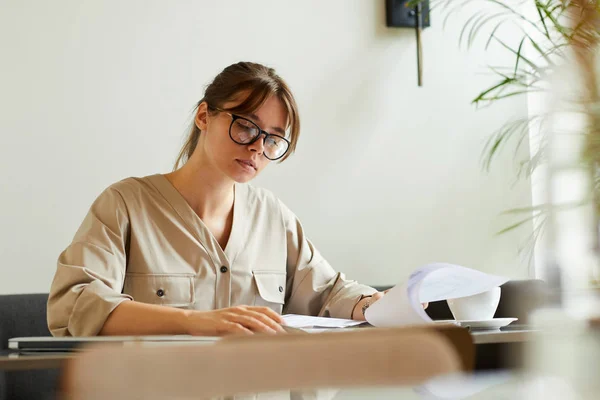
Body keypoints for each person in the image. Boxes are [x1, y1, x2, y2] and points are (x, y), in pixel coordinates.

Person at [47, 61, 388, 337]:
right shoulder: (125, 205)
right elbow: (75, 305)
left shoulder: (273, 216)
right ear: (204, 117)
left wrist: (378, 304)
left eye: (272, 139)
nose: (257, 146)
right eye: (246, 126)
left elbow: (328, 293)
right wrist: (195, 322)